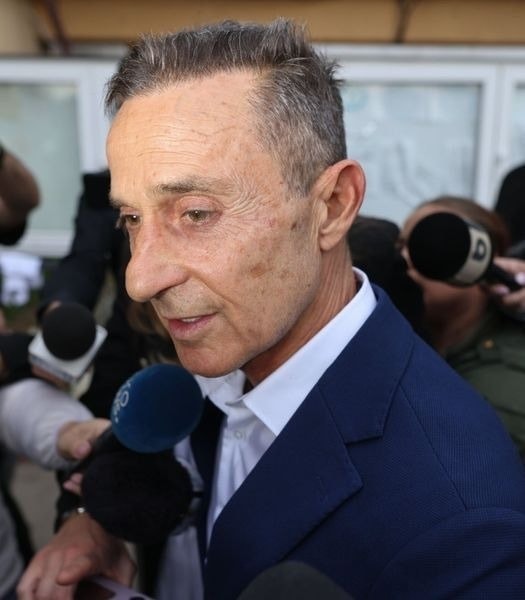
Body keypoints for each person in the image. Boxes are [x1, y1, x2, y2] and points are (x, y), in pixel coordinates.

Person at [18, 19, 525, 600]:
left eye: (196, 213)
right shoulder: (230, 345)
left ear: (332, 206)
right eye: (132, 218)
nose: (139, 279)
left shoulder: (464, 529)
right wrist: (93, 517)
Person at [400, 195, 525, 456]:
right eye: (401, 245)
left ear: (481, 259)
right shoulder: (402, 343)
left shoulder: (508, 374)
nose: (406, 258)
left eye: (430, 246)